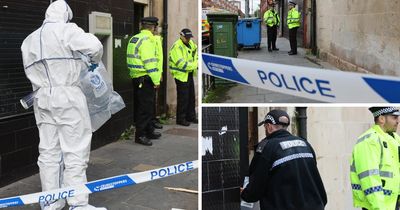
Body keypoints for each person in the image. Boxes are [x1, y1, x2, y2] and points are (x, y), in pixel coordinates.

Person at [20, 1, 106, 209]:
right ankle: (78, 203)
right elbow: (95, 46)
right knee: (75, 150)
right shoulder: (67, 30)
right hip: (67, 94)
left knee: (48, 151)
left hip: (42, 97)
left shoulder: (28, 40)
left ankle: (51, 202)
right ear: (66, 15)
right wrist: (91, 61)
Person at [241, 109, 327, 210]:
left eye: (264, 126)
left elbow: (256, 189)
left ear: (269, 126)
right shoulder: (304, 144)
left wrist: (245, 193)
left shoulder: (267, 147)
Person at [350, 107, 400, 210]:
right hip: (377, 206)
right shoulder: (369, 141)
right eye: (394, 117)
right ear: (382, 119)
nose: (398, 121)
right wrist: (379, 208)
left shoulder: (395, 139)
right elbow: (369, 178)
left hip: (393, 203)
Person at [127, 17, 162, 146]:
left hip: (136, 77)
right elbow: (150, 63)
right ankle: (140, 135)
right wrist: (156, 80)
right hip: (145, 78)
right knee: (145, 109)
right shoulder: (147, 41)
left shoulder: (135, 38)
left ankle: (148, 131)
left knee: (144, 106)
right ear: (153, 27)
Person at [169, 28, 198, 126]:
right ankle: (181, 119)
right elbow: (181, 64)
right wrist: (195, 65)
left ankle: (191, 116)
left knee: (191, 97)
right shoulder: (177, 47)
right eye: (186, 38)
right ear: (181, 36)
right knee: (183, 98)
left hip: (189, 74)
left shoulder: (191, 44)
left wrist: (195, 64)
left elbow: (196, 56)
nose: (188, 39)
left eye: (189, 37)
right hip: (180, 75)